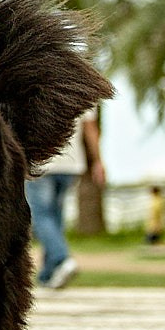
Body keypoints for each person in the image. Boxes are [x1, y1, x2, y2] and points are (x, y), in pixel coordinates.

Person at [26, 107, 103, 290]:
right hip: (71, 164)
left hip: (42, 162)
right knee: (55, 216)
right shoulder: (83, 84)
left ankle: (62, 259)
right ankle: (49, 274)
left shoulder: (34, 81)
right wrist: (98, 161)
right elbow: (90, 129)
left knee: (41, 216)